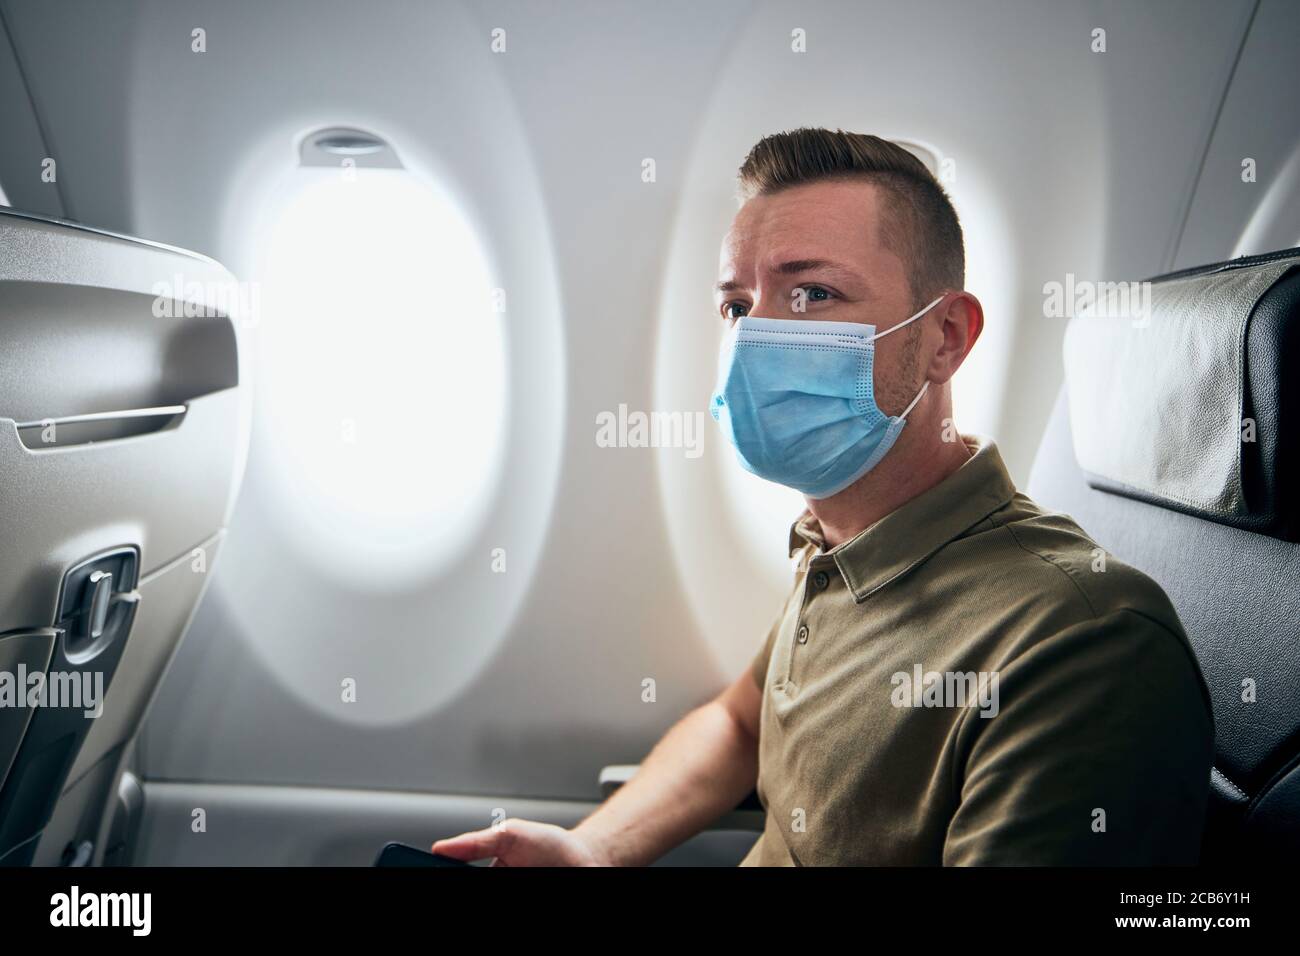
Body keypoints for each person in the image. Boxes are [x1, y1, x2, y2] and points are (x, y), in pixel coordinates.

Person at [433, 128, 1214, 866]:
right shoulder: (841, 542)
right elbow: (740, 724)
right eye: (739, 306)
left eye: (810, 295)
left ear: (945, 338)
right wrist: (596, 849)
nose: (757, 339)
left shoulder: (1082, 645)